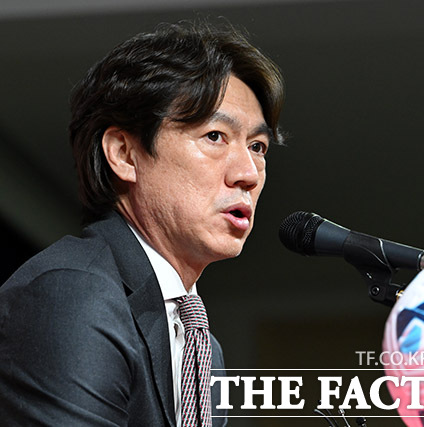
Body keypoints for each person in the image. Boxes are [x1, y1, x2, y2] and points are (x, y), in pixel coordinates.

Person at [0, 21, 284, 427]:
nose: (249, 174)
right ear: (124, 154)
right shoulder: (73, 294)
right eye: (215, 136)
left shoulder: (202, 345)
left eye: (257, 147)